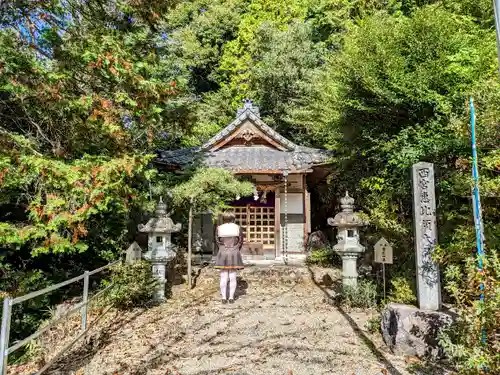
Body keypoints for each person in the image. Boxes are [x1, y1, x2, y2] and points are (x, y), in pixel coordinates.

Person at [214, 211, 244, 304]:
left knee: (223, 276)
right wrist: (235, 248)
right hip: (234, 252)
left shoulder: (219, 228)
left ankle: (223, 297)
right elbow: (241, 240)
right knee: (232, 276)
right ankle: (231, 297)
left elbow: (217, 241)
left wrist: (223, 248)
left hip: (223, 252)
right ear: (233, 218)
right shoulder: (237, 228)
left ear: (223, 219)